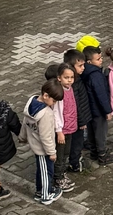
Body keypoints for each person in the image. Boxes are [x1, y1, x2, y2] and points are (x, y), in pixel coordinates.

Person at [20, 81, 64, 207]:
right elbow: (46, 137)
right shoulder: (46, 114)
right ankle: (46, 195)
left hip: (35, 144)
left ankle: (40, 191)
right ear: (45, 96)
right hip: (43, 149)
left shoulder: (31, 104)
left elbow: (25, 123)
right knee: (46, 172)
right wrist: (52, 152)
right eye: (54, 101)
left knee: (41, 170)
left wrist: (22, 136)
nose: (54, 104)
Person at [81, 46, 113, 166]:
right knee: (100, 133)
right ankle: (102, 155)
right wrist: (108, 111)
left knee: (91, 131)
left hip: (89, 109)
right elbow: (101, 94)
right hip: (98, 110)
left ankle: (94, 152)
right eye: (98, 59)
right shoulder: (95, 75)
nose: (101, 60)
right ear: (89, 62)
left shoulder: (84, 72)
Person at [45, 63, 77, 193]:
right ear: (59, 78)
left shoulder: (70, 89)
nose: (69, 80)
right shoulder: (60, 93)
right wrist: (59, 132)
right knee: (60, 155)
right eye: (66, 77)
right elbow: (56, 113)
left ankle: (61, 174)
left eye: (71, 77)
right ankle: (58, 179)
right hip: (62, 130)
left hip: (70, 128)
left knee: (66, 153)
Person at [63, 49, 92, 172]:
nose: (83, 68)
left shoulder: (78, 79)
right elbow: (76, 105)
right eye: (80, 65)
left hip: (79, 118)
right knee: (76, 142)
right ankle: (75, 163)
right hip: (77, 121)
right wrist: (82, 122)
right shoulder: (74, 84)